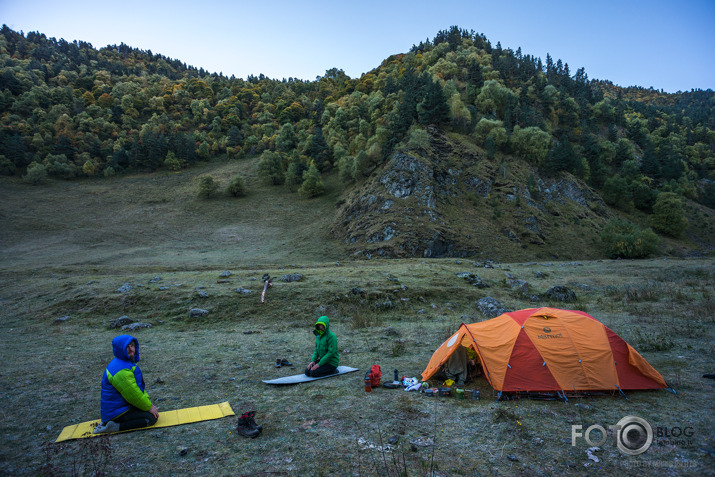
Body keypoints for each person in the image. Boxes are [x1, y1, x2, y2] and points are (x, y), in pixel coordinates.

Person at [94, 335, 159, 434]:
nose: (130, 349)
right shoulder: (120, 369)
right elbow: (133, 395)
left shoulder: (125, 363)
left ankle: (110, 423)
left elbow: (138, 389)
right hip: (116, 412)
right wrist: (149, 407)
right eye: (126, 346)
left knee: (150, 412)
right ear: (120, 349)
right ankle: (115, 426)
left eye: (132, 346)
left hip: (119, 408)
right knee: (151, 418)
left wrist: (148, 404)